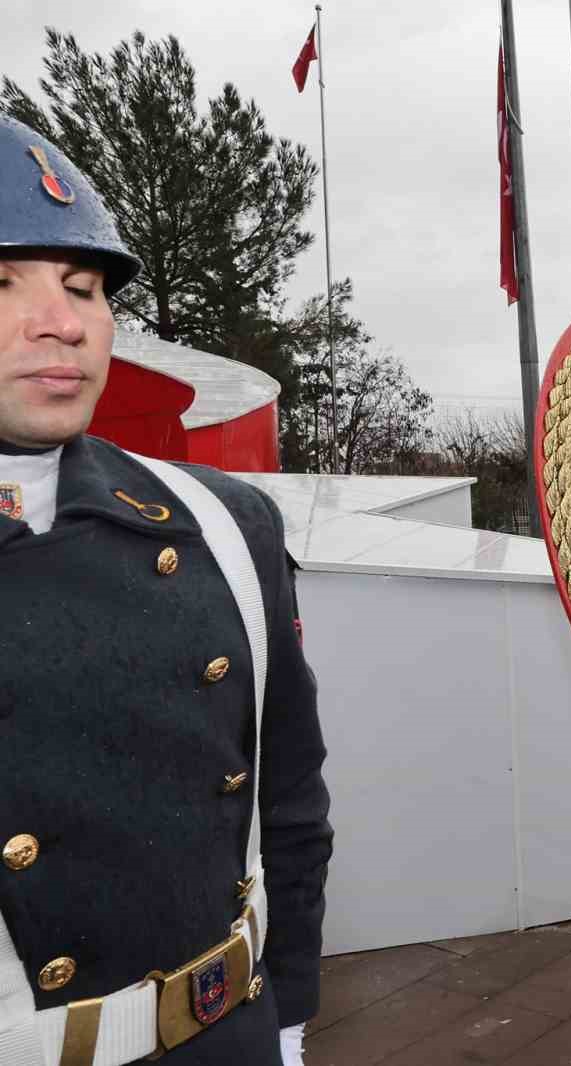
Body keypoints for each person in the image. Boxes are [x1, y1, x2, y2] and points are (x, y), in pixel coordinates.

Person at [0, 114, 331, 1065]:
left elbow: (290, 800)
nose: (63, 322)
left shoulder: (226, 523)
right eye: (5, 282)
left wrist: (292, 1013)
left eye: (84, 288)